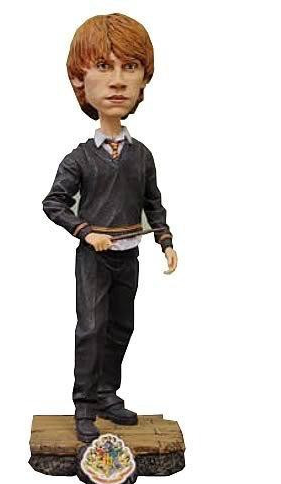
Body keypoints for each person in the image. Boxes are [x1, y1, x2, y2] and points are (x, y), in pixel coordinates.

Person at [42, 13, 178, 443]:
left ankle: (106, 394)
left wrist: (165, 240)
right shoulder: (80, 158)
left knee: (121, 327)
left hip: (129, 256)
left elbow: (152, 202)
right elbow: (53, 203)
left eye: (129, 67)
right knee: (91, 329)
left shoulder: (141, 156)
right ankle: (84, 405)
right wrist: (86, 231)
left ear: (143, 80)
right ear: (80, 80)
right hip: (94, 259)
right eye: (103, 66)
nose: (118, 81)